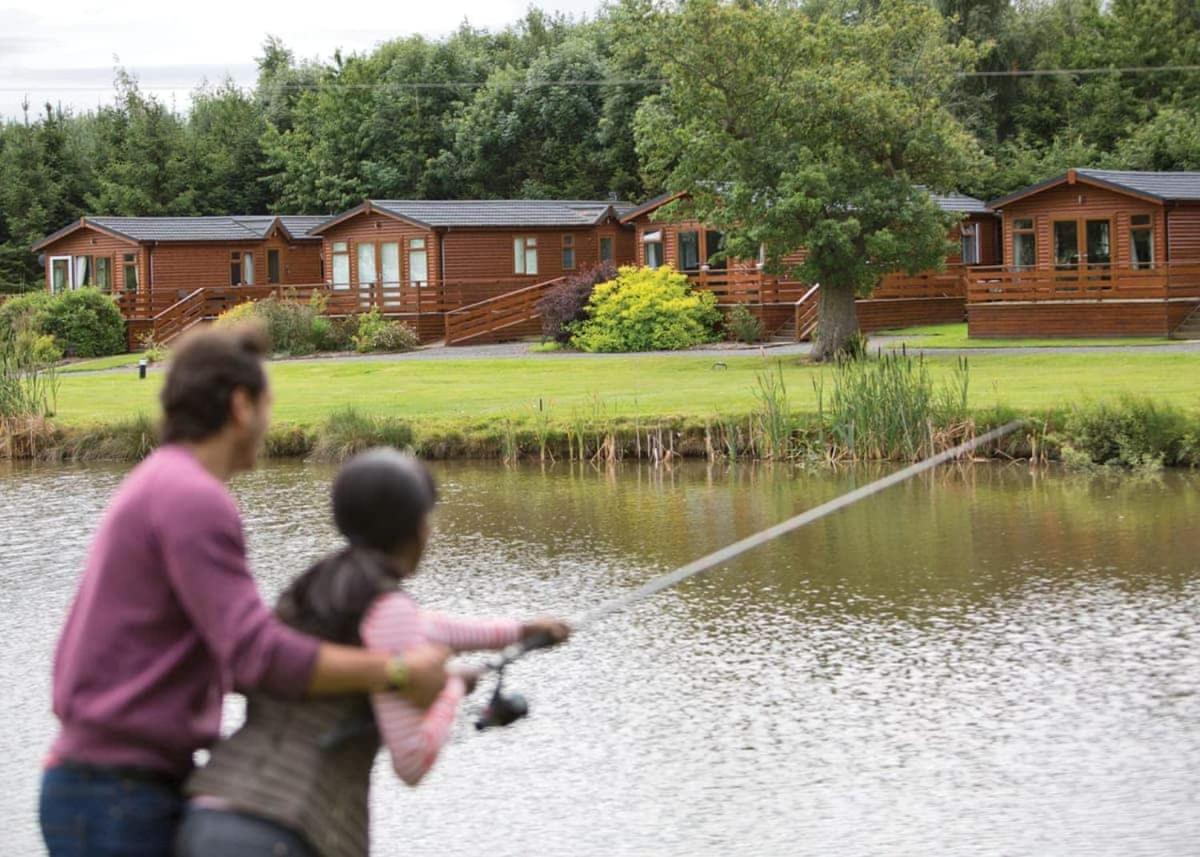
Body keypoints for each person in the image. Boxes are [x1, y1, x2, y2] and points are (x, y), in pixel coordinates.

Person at [39, 326, 451, 857]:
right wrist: (396, 670)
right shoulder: (193, 498)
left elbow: (232, 657)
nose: (267, 421)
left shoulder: (160, 480)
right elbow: (254, 653)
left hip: (110, 783)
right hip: (117, 793)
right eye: (267, 404)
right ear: (240, 406)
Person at [175, 448, 570, 857]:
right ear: (414, 528)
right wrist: (449, 688)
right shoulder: (385, 606)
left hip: (206, 810)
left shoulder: (316, 587)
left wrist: (520, 631)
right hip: (284, 829)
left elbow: (421, 626)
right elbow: (411, 762)